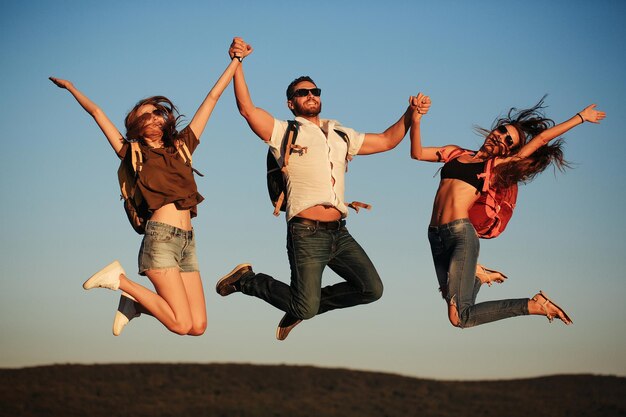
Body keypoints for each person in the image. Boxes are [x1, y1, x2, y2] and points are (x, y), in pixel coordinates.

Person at [215, 38, 430, 340]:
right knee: (306, 305)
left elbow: (386, 140)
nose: (311, 95)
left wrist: (411, 114)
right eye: (303, 93)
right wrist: (238, 62)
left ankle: (302, 305)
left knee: (371, 289)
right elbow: (247, 109)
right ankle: (248, 281)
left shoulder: (341, 132)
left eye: (315, 91)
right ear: (292, 103)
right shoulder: (284, 132)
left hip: (339, 233)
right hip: (306, 232)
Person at [49, 40, 249, 336]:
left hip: (187, 242)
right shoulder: (132, 152)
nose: (153, 117)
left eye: (156, 112)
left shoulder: (182, 146)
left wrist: (236, 60)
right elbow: (97, 113)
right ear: (135, 125)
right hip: (160, 241)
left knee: (198, 327)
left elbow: (212, 98)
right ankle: (121, 280)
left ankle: (135, 304)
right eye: (145, 115)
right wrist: (72, 87)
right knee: (181, 324)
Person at [409, 94, 605, 328]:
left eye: (508, 140)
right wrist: (416, 119)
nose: (500, 137)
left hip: (461, 234)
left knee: (459, 317)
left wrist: (580, 118)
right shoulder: (456, 153)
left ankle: (532, 305)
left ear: (508, 150)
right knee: (454, 302)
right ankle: (478, 277)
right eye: (502, 131)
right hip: (435, 234)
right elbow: (417, 153)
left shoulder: (495, 167)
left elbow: (541, 139)